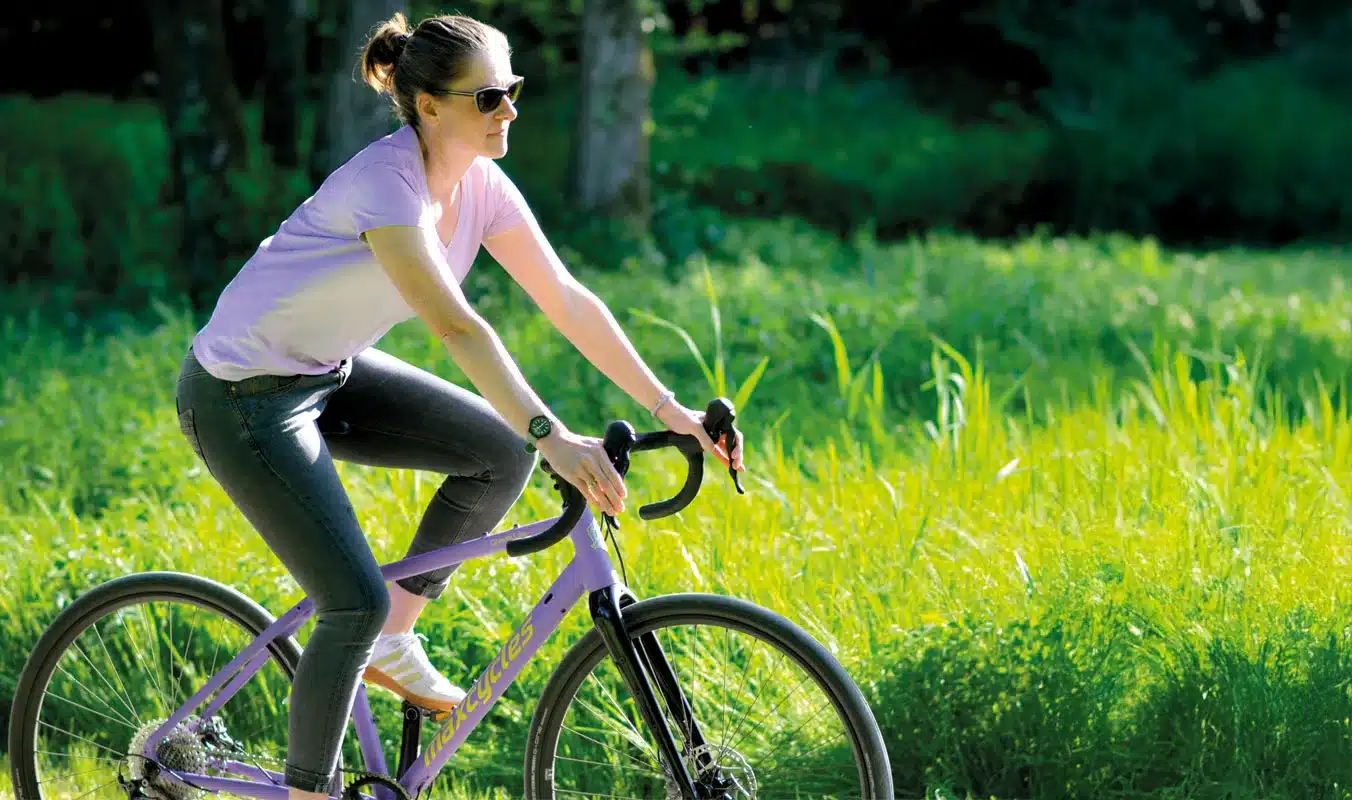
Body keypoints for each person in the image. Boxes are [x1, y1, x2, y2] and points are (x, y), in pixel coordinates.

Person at [173, 10, 745, 799]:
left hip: (326, 372)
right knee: (351, 601)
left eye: (511, 90)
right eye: (487, 99)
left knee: (497, 455)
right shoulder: (386, 185)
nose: (508, 109)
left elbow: (567, 299)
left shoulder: (480, 182)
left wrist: (671, 406)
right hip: (240, 397)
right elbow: (456, 325)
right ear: (429, 106)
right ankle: (314, 779)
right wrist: (553, 435)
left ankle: (392, 643)